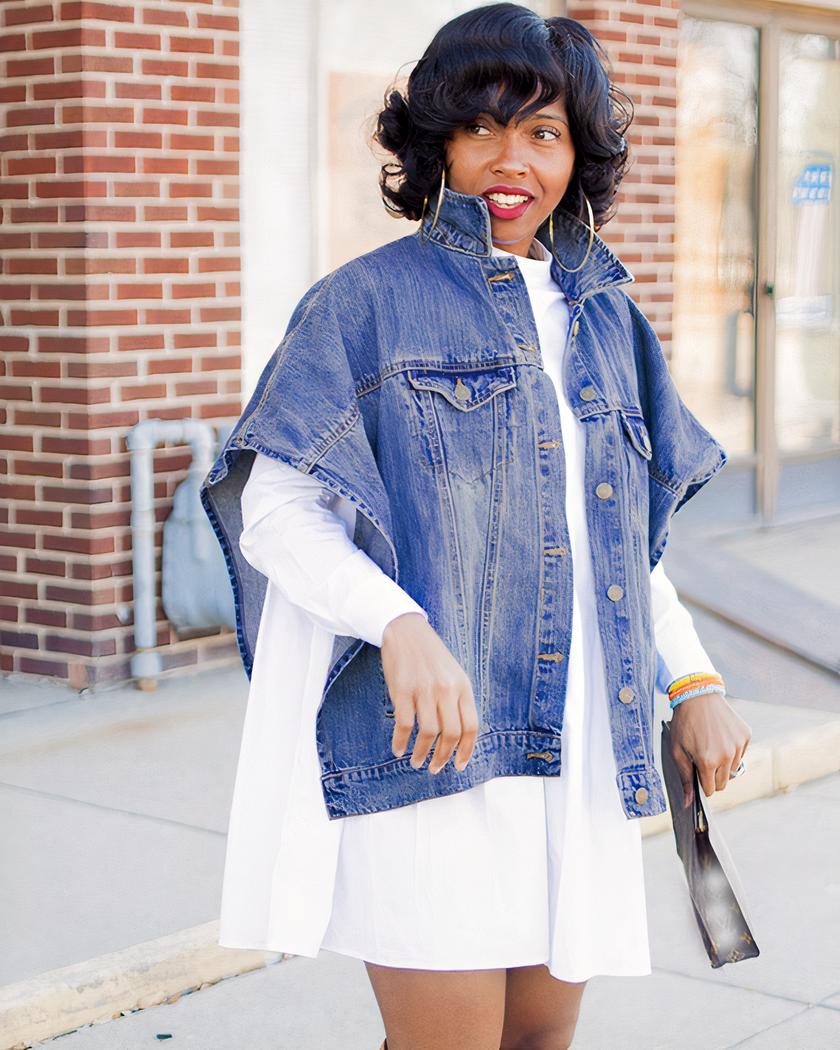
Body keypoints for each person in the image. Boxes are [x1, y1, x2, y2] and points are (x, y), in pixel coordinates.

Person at [200, 5, 752, 1048]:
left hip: (580, 751)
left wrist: (694, 682)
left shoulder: (606, 317)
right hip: (433, 764)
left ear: (576, 155)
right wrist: (397, 623)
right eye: (482, 127)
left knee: (540, 1045)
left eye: (542, 133)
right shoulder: (362, 305)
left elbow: (621, 545)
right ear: (437, 143)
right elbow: (275, 514)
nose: (512, 159)